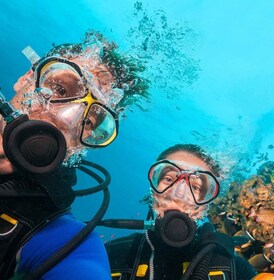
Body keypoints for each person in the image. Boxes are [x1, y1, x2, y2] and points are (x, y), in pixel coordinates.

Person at [0, 30, 149, 279]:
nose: (66, 119)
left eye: (89, 122)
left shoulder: (65, 239)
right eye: (59, 89)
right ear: (26, 78)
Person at [105, 144, 258, 280]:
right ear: (153, 190)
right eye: (169, 179)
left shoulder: (235, 269)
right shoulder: (108, 254)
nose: (178, 194)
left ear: (206, 205)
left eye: (196, 187)